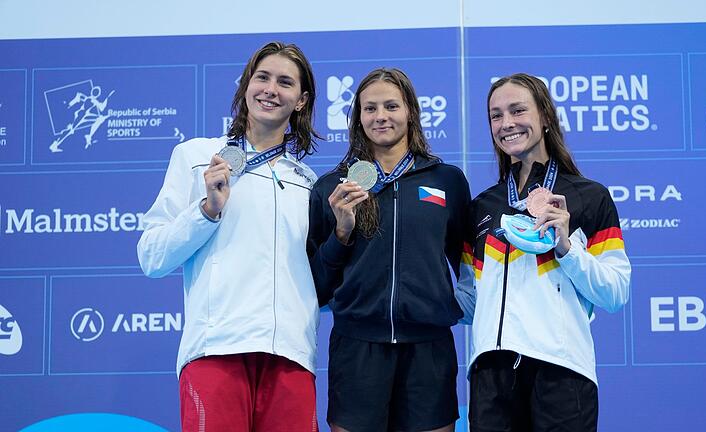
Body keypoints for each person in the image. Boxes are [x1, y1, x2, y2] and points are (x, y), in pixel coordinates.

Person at [137, 41, 321, 431]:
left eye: (285, 82)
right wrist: (206, 211)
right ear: (246, 86)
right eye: (263, 77)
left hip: (290, 355)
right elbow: (151, 256)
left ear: (301, 100)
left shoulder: (310, 184)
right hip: (215, 350)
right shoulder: (197, 157)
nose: (271, 89)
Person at [456, 73, 631, 432]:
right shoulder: (481, 208)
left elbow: (615, 292)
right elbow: (471, 301)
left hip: (561, 372)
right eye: (496, 115)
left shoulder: (588, 197)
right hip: (491, 376)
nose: (506, 124)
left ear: (545, 117)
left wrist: (566, 247)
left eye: (518, 110)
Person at [307, 68, 471, 432]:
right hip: (357, 349)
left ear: (410, 110)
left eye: (391, 106)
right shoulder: (332, 187)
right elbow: (316, 287)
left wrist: (447, 304)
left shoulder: (447, 180)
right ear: (358, 118)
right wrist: (342, 233)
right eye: (370, 108)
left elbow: (469, 263)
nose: (381, 116)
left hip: (429, 349)